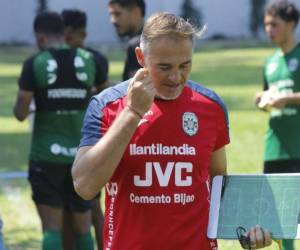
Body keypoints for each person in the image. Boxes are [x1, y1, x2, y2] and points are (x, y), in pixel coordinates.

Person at [72, 12, 272, 249]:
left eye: (185, 65)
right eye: (164, 67)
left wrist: (246, 233)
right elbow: (84, 186)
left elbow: (218, 185)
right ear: (140, 57)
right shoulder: (106, 106)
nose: (176, 77)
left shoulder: (211, 106)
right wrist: (133, 112)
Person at [13, 11, 98, 250]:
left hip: (46, 156)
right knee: (83, 228)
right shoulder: (90, 60)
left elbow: (20, 113)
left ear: (40, 38)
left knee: (51, 229)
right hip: (83, 156)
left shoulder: (35, 63)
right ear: (64, 34)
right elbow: (105, 100)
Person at [255, 1, 300, 250]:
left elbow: (287, 97)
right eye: (266, 25)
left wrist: (288, 98)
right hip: (275, 147)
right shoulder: (270, 62)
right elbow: (266, 95)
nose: (269, 29)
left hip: (298, 145)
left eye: (275, 24)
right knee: (280, 215)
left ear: (291, 24)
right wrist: (261, 100)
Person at [61, 9, 107, 250]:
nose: (67, 40)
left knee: (92, 207)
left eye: (70, 35)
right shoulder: (53, 58)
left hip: (88, 143)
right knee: (67, 213)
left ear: (82, 34)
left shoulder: (94, 60)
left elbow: (105, 99)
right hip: (62, 142)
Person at [108, 0, 145, 80]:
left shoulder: (137, 44)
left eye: (117, 14)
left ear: (136, 12)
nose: (113, 20)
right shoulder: (153, 39)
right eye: (111, 14)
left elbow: (136, 89)